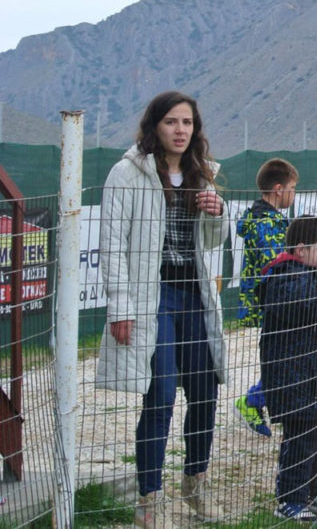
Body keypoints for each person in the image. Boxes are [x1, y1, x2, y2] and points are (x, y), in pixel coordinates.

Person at [98, 91, 227, 528]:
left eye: (187, 123)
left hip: (195, 295)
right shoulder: (127, 173)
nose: (180, 131)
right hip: (154, 297)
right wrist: (120, 306)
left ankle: (196, 484)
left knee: (206, 392)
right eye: (171, 122)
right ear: (155, 125)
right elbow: (112, 244)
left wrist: (216, 212)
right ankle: (148, 499)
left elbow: (211, 243)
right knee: (161, 396)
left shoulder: (202, 175)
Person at [258, 216, 317, 521]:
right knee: (299, 440)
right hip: (292, 378)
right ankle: (290, 499)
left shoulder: (314, 275)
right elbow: (309, 304)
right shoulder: (282, 278)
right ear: (300, 250)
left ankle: (316, 496)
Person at [233, 158, 298, 439]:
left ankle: (260, 401)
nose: (294, 194)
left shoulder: (272, 221)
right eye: (293, 188)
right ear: (278, 188)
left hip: (279, 300)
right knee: (285, 359)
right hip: (274, 302)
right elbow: (276, 262)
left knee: (290, 356)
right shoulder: (264, 224)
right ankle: (251, 401)